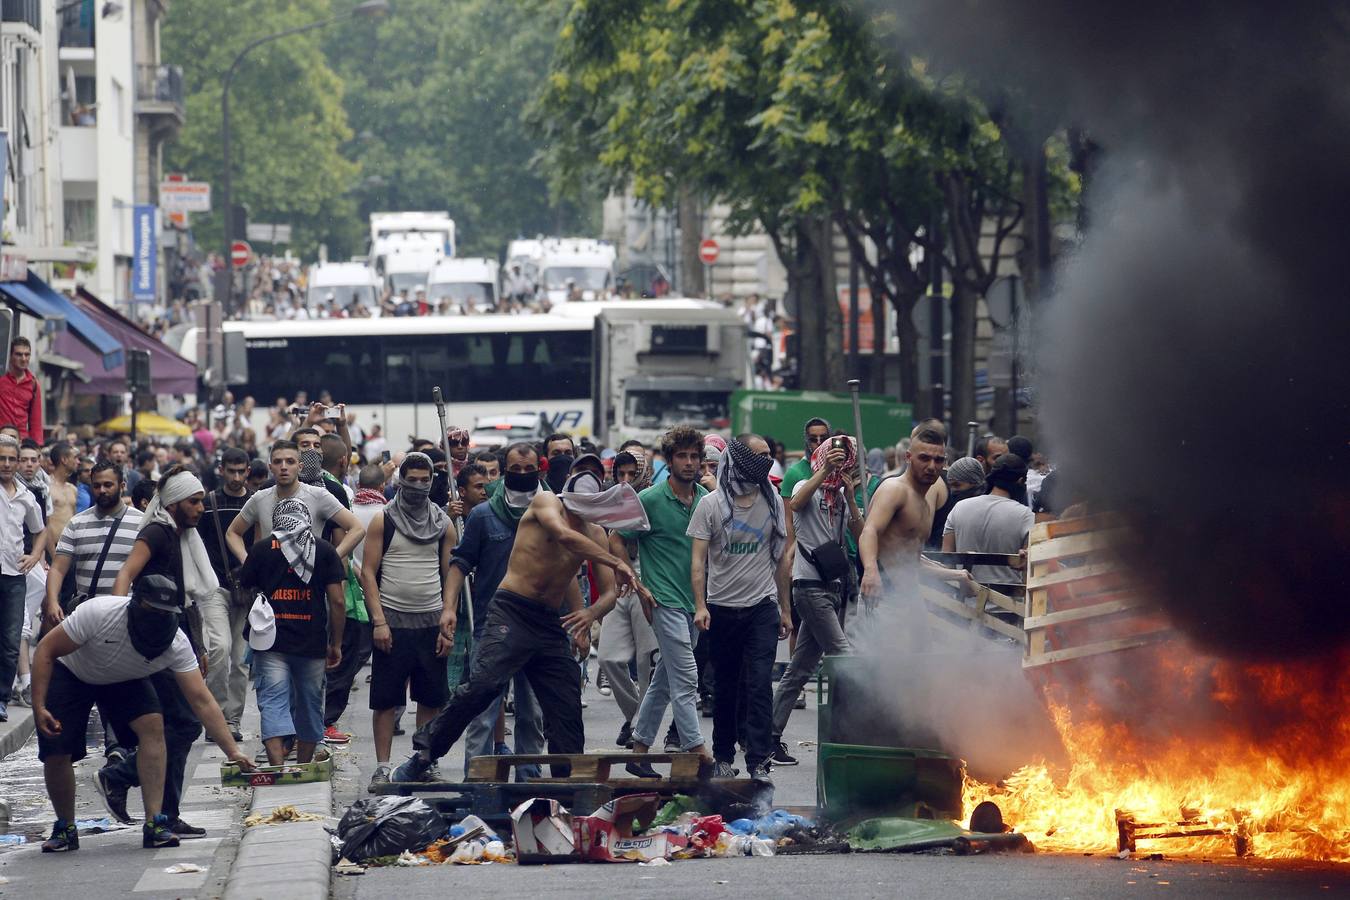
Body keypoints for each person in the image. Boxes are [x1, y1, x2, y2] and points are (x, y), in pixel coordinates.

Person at [391, 455, 648, 784]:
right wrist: (617, 561)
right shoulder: (546, 503)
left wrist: (588, 615)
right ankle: (424, 755)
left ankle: (568, 785)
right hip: (512, 611)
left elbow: (609, 592)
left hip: (549, 622)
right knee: (483, 685)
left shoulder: (595, 534)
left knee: (565, 704)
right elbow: (564, 537)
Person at [29, 576, 255, 853]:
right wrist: (39, 706)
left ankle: (155, 823)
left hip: (125, 675)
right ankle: (65, 827)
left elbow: (202, 700)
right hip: (74, 670)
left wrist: (232, 752)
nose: (158, 621)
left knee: (153, 726)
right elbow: (45, 650)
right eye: (152, 613)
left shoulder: (176, 642)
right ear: (134, 607)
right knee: (57, 747)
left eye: (165, 615)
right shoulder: (99, 613)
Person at [104, 467, 219, 839]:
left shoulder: (180, 534)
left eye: (202, 500)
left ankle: (167, 814)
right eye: (194, 501)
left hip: (175, 638)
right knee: (184, 723)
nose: (201, 507)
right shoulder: (157, 532)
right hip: (151, 642)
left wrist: (197, 644)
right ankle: (120, 776)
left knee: (179, 725)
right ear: (173, 504)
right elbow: (126, 575)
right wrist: (116, 625)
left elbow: (186, 601)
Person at [688, 436, 793, 783]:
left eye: (770, 455)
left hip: (761, 605)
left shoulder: (773, 501)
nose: (767, 461)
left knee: (761, 682)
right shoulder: (711, 505)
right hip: (721, 608)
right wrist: (701, 606)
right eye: (760, 456)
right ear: (741, 458)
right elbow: (698, 561)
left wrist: (784, 608)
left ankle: (759, 759)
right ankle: (723, 754)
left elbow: (780, 560)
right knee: (727, 685)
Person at [443, 443, 547, 782]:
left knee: (532, 714)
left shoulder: (552, 512)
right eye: (514, 469)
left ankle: (529, 785)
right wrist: (449, 608)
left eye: (527, 469)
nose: (521, 475)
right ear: (503, 472)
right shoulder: (484, 515)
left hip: (538, 629)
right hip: (492, 628)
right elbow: (460, 563)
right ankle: (478, 785)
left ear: (539, 470)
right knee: (483, 713)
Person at [611, 426, 710, 774]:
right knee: (686, 678)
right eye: (681, 456)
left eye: (694, 456)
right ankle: (696, 751)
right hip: (663, 600)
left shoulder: (705, 499)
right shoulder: (650, 499)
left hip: (695, 602)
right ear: (668, 461)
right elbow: (617, 538)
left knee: (664, 681)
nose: (688, 462)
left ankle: (638, 751)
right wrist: (636, 583)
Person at [360, 453, 458, 789]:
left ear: (432, 482)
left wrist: (448, 620)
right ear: (399, 480)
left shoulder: (443, 523)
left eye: (424, 480)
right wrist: (378, 621)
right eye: (411, 480)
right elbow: (368, 574)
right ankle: (383, 767)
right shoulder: (382, 520)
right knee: (386, 700)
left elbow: (451, 576)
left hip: (431, 622)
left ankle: (422, 761)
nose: (418, 486)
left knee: (430, 699)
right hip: (392, 624)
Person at [769, 435, 863, 765]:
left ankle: (769, 736)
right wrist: (824, 472)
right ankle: (855, 733)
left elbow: (861, 534)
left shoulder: (840, 496)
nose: (841, 468)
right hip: (809, 587)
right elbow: (794, 506)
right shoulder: (805, 488)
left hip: (834, 588)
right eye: (836, 460)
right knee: (846, 656)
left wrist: (850, 496)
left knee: (799, 669)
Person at [238, 500, 346, 765]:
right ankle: (304, 767)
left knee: (272, 701)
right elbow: (338, 602)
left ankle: (276, 768)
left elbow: (244, 587)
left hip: (270, 641)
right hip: (311, 642)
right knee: (310, 705)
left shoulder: (262, 549)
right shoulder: (323, 549)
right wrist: (336, 643)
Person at [859, 426, 973, 618]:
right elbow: (869, 531)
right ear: (908, 457)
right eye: (924, 458)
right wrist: (870, 571)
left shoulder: (925, 503)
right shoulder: (894, 489)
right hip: (883, 600)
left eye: (938, 460)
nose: (931, 466)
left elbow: (910, 560)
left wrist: (956, 575)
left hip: (909, 599)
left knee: (924, 647)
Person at [226, 440, 365, 565]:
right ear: (270, 467)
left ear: (300, 466)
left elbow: (357, 529)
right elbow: (232, 533)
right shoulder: (260, 498)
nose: (283, 467)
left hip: (310, 585)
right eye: (278, 462)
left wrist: (330, 558)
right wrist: (247, 561)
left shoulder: (318, 495)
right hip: (270, 583)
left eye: (290, 461)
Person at [195, 448, 252, 737]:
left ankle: (232, 721)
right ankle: (216, 717)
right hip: (215, 586)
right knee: (220, 649)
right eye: (232, 471)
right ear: (222, 470)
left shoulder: (255, 502)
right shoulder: (209, 503)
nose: (237, 476)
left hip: (247, 589)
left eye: (241, 471)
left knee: (241, 659)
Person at [1, 435, 47, 722]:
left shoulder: (26, 497)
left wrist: (35, 556)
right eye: (1, 458)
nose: (6, 464)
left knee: (10, 640)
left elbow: (40, 530)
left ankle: (1, 698)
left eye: (10, 459)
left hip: (15, 577)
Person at [942, 454, 1035, 592]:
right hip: (1009, 607)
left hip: (963, 606)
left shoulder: (959, 508)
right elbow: (1029, 570)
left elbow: (946, 561)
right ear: (1021, 481)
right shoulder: (1026, 516)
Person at [928, 456, 986, 549]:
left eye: (957, 485)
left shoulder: (987, 512)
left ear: (974, 484)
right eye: (950, 486)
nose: (953, 491)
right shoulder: (952, 508)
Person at [0, 337, 42, 442]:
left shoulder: (34, 384)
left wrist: (37, 446)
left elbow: (36, 421)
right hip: (2, 439)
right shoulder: (1, 380)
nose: (23, 359)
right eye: (19, 354)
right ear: (10, 356)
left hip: (22, 441)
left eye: (27, 354)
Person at [778, 418, 831, 500]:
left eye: (823, 438)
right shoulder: (794, 473)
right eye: (813, 439)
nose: (819, 442)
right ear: (807, 441)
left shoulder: (838, 470)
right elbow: (788, 512)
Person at [45, 441, 80, 551]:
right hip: (53, 548)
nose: (78, 462)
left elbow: (74, 520)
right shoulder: (46, 487)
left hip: (71, 548)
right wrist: (53, 555)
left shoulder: (73, 489)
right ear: (64, 460)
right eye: (75, 458)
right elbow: (46, 525)